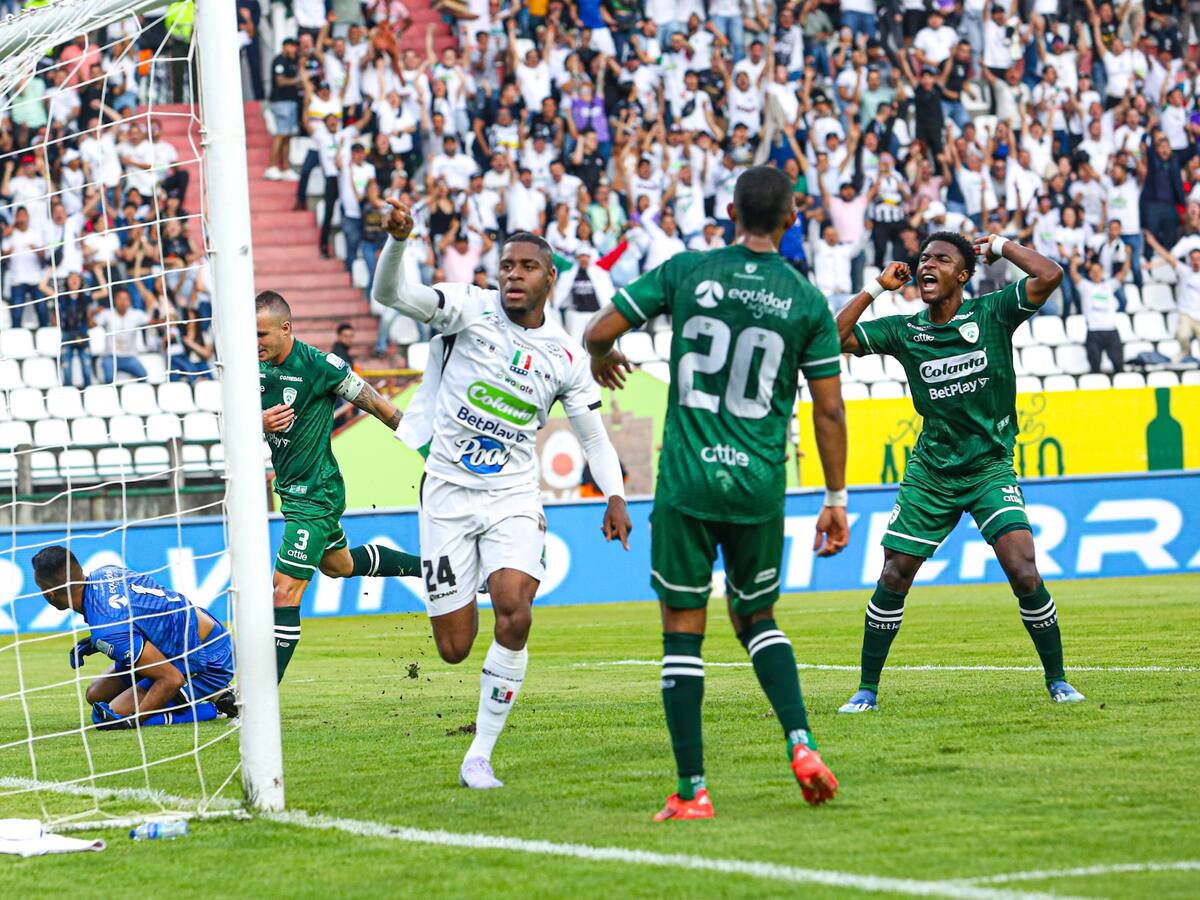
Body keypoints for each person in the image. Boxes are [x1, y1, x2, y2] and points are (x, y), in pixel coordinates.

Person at [583, 166, 850, 819]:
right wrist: (836, 498)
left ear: (731, 212)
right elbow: (829, 411)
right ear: (791, 218)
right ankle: (802, 743)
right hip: (758, 484)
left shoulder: (687, 270)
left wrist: (600, 356)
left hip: (688, 481)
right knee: (757, 618)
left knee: (683, 628)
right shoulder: (806, 299)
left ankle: (692, 790)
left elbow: (598, 331)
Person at [371, 204, 632, 790]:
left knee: (515, 610)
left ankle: (479, 756)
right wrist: (399, 241)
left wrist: (614, 496)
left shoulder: (566, 355)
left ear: (550, 278)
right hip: (446, 493)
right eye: (507, 265)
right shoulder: (466, 307)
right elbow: (391, 294)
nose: (514, 274)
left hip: (512, 493)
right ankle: (466, 576)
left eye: (527, 266)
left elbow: (593, 436)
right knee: (454, 648)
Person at [834, 230, 1086, 715]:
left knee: (1023, 569)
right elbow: (834, 337)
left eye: (941, 259)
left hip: (989, 467)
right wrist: (876, 287)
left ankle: (1058, 681)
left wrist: (1002, 246)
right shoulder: (905, 331)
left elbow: (1050, 274)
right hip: (933, 473)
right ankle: (866, 690)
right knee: (894, 574)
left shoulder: (993, 313)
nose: (927, 265)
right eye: (924, 259)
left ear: (964, 275)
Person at [257, 291, 421, 682]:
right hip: (292, 492)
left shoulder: (321, 367)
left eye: (261, 335)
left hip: (317, 494)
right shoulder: (251, 368)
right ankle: (433, 568)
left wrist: (429, 446)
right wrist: (257, 422)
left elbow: (379, 405)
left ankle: (260, 696)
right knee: (339, 566)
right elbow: (227, 422)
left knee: (283, 591)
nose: (255, 343)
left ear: (286, 328)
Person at [32, 546, 238, 729]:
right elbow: (141, 613)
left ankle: (219, 706)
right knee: (95, 695)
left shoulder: (108, 629)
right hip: (188, 634)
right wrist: (96, 642)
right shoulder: (107, 572)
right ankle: (206, 692)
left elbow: (172, 679)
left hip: (207, 658)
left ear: (50, 594)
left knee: (114, 715)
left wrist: (135, 719)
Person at [1069, 252, 1129, 374]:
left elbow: (1123, 273)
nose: (1096, 273)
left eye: (1098, 271)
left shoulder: (1109, 285)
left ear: (1102, 272)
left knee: (1119, 365)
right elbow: (1074, 275)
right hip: (1094, 331)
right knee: (1095, 367)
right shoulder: (1086, 287)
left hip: (1111, 330)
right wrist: (1073, 262)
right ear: (1089, 273)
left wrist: (1128, 256)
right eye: (1093, 271)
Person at [94, 287, 149, 383]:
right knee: (108, 379)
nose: (123, 302)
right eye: (120, 298)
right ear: (115, 300)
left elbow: (151, 321)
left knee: (143, 375)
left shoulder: (136, 314)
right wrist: (93, 312)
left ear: (129, 301)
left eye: (125, 299)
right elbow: (92, 324)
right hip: (110, 356)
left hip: (129, 356)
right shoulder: (107, 313)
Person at [266, 37, 302, 181]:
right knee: (280, 134)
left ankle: (286, 168)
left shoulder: (293, 62)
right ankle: (271, 166)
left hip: (291, 102)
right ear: (284, 46)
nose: (294, 49)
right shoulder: (279, 61)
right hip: (281, 102)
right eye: (291, 46)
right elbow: (280, 81)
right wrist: (298, 81)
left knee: (287, 136)